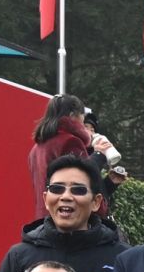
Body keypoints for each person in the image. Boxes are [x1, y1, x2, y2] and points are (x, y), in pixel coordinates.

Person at [27, 92, 110, 220]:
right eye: (83, 117)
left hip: (45, 218)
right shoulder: (70, 141)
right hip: (69, 218)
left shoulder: (36, 149)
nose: (83, 122)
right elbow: (83, 178)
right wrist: (99, 155)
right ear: (73, 115)